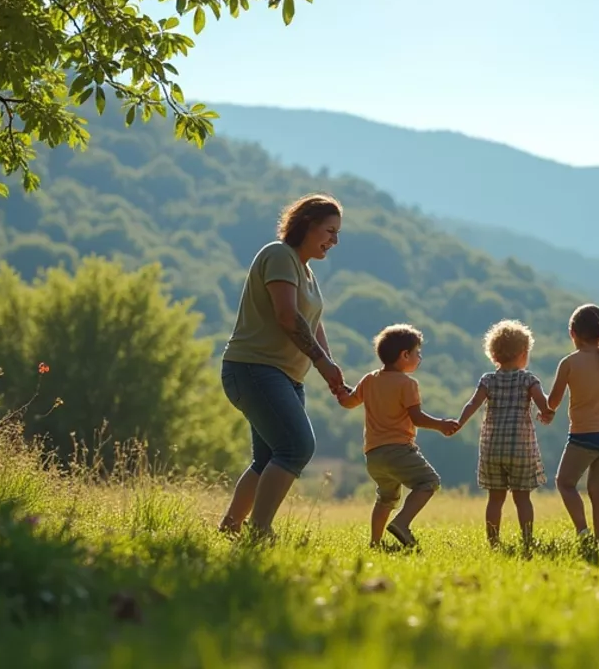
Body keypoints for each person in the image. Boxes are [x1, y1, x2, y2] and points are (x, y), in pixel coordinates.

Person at [217, 194, 348, 539]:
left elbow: (312, 322)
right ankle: (259, 531)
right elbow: (288, 317)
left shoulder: (305, 271)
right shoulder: (278, 255)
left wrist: (330, 368)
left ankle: (230, 528)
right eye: (329, 231)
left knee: (268, 459)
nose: (334, 241)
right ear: (306, 224)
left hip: (285, 376)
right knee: (296, 447)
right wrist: (322, 364)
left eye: (337, 234)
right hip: (254, 368)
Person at [336, 324, 459, 548]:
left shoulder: (370, 379)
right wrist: (441, 424)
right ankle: (401, 523)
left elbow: (348, 401)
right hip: (399, 450)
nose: (419, 358)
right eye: (417, 353)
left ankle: (375, 542)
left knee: (386, 498)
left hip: (373, 455)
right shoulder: (407, 384)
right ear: (404, 355)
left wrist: (338, 388)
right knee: (428, 482)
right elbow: (417, 418)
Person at [454, 320, 553, 548]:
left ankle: (493, 541)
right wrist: (547, 414)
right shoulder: (528, 379)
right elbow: (544, 404)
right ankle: (527, 540)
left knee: (495, 499)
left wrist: (459, 423)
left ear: (494, 353)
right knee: (522, 498)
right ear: (522, 353)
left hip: (493, 448)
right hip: (520, 447)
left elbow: (472, 404)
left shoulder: (488, 380)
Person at [544, 304, 599, 547]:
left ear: (572, 332)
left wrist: (544, 409)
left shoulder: (569, 363)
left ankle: (583, 533)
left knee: (565, 482)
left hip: (584, 437)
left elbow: (553, 401)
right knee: (598, 490)